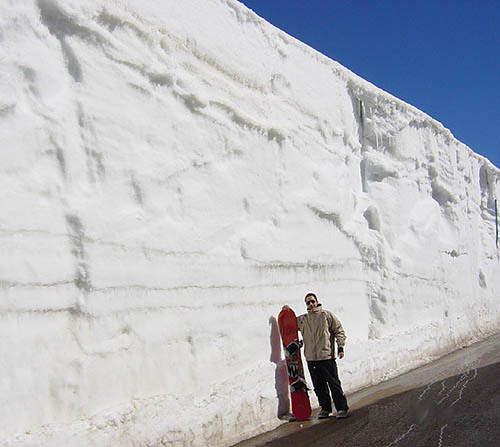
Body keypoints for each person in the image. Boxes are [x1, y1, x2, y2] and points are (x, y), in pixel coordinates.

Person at [283, 292, 349, 419]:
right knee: (319, 386)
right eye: (308, 302)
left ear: (317, 301)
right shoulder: (303, 319)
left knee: (334, 384)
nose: (311, 304)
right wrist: (286, 311)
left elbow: (339, 330)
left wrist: (340, 347)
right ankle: (325, 409)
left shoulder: (326, 315)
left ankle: (341, 408)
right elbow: (290, 323)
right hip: (311, 359)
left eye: (312, 301)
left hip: (326, 357)